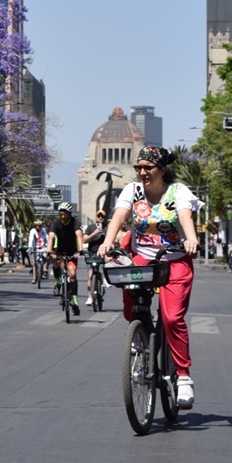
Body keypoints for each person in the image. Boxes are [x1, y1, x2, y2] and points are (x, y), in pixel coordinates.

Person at [98, 145, 200, 409]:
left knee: (171, 318)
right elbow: (119, 216)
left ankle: (183, 376)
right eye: (139, 168)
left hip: (174, 260)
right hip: (142, 259)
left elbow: (184, 215)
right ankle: (141, 338)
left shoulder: (178, 191)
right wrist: (108, 242)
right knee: (132, 308)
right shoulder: (132, 191)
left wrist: (191, 239)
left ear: (162, 170)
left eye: (148, 168)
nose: (143, 173)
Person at [48, 201, 85, 316]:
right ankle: (58, 282)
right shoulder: (56, 223)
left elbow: (79, 236)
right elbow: (51, 237)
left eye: (64, 214)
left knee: (72, 274)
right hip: (59, 249)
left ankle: (74, 299)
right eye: (60, 214)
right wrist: (49, 251)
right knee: (54, 261)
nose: (62, 217)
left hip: (72, 251)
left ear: (69, 213)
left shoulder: (75, 222)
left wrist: (80, 250)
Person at [85, 210, 107, 305]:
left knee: (106, 267)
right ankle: (90, 297)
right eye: (99, 216)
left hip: (103, 254)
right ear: (96, 217)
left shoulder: (107, 228)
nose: (100, 218)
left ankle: (104, 282)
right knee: (90, 275)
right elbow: (84, 240)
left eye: (102, 216)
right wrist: (95, 233)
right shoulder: (90, 228)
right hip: (92, 254)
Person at [27, 219, 49, 284]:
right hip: (35, 249)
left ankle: (45, 269)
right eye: (37, 225)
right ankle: (34, 278)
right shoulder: (32, 231)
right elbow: (31, 239)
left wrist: (48, 247)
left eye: (39, 225)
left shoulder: (43, 230)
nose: (38, 227)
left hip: (43, 248)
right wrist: (30, 248)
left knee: (47, 257)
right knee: (34, 264)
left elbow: (46, 238)